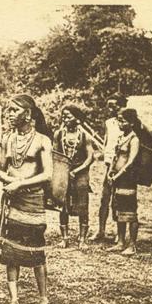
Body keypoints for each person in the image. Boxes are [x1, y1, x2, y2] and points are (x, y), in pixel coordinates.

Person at [0, 94, 53, 304]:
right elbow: (0, 170)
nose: (9, 114)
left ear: (27, 114)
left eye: (13, 110)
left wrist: (20, 183)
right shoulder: (7, 139)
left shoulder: (42, 140)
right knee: (11, 251)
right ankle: (13, 300)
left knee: (36, 252)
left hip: (33, 200)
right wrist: (11, 182)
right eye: (8, 110)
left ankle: (43, 300)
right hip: (12, 201)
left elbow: (47, 175)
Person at [53, 105, 94, 249]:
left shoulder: (85, 136)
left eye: (68, 117)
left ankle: (82, 239)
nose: (65, 119)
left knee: (83, 205)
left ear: (77, 119)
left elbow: (90, 158)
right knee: (63, 204)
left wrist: (77, 171)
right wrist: (59, 173)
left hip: (81, 173)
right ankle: (64, 238)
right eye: (63, 116)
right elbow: (55, 154)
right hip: (63, 173)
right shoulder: (59, 134)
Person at [90, 94, 126, 242]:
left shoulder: (128, 123)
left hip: (122, 166)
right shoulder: (109, 122)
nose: (112, 109)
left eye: (115, 106)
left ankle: (120, 233)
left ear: (122, 105)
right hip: (108, 164)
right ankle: (101, 230)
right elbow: (107, 142)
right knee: (104, 198)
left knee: (118, 200)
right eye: (109, 106)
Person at [106, 108, 141, 256]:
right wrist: (110, 172)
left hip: (127, 179)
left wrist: (119, 174)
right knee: (119, 209)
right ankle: (120, 241)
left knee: (130, 211)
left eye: (123, 121)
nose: (120, 123)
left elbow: (131, 161)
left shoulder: (134, 139)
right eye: (119, 120)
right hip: (117, 178)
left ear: (131, 123)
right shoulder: (122, 137)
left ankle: (132, 244)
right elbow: (116, 157)